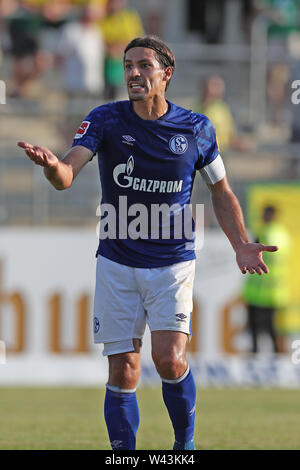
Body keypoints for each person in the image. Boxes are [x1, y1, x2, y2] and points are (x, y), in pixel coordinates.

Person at [17, 35, 278, 451]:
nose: (134, 73)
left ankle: (183, 449)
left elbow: (222, 191)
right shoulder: (105, 119)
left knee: (169, 359)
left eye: (143, 65)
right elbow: (67, 175)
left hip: (172, 261)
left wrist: (241, 244)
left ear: (165, 74)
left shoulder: (196, 128)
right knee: (123, 371)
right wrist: (51, 167)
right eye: (127, 66)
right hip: (117, 261)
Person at [242, 205, 290, 353]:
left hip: (258, 289)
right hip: (276, 290)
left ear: (268, 215)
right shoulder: (284, 235)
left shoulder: (262, 233)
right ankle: (277, 359)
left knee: (255, 329)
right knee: (272, 328)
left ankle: (255, 359)